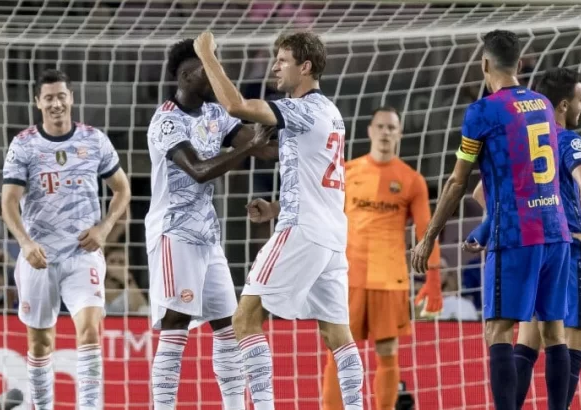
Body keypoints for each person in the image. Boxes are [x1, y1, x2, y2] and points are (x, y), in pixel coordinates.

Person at [194, 31, 364, 410]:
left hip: (302, 230)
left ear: (305, 67)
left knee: (244, 318)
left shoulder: (304, 109)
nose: (274, 66)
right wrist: (274, 208)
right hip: (330, 232)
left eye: (282, 60)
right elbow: (319, 174)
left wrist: (207, 55)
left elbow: (236, 106)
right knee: (337, 333)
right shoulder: (331, 112)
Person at [410, 30, 572, 410]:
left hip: (516, 236)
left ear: (484, 64)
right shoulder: (544, 105)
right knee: (553, 331)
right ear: (519, 64)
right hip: (556, 231)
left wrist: (429, 237)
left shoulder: (482, 112)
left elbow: (456, 180)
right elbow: (518, 172)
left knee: (498, 328)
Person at [145, 38, 273, 410]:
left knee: (227, 326)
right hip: (174, 234)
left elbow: (261, 144)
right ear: (186, 75)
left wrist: (300, 141)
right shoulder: (166, 121)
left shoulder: (217, 114)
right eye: (207, 68)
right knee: (176, 321)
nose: (217, 77)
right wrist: (247, 149)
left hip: (207, 237)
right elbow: (199, 171)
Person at [464, 67, 581, 409]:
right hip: (567, 246)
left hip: (531, 241)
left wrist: (493, 225)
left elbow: (482, 191)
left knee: (528, 337)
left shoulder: (525, 139)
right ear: (565, 105)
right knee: (575, 337)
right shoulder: (568, 139)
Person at [1, 68, 131, 409]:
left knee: (90, 330)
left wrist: (104, 228)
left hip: (81, 255)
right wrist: (26, 243)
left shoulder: (93, 139)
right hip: (39, 257)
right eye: (49, 98)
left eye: (61, 96)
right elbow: (9, 201)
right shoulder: (24, 144)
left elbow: (122, 189)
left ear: (71, 98)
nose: (56, 103)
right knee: (40, 342)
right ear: (37, 102)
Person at [322, 106, 443, 410]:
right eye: (381, 126)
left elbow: (425, 232)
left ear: (400, 133)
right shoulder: (347, 171)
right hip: (347, 276)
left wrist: (434, 279)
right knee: (338, 349)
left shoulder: (411, 180)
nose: (386, 132)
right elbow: (325, 219)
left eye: (392, 128)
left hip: (390, 279)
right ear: (369, 131)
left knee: (387, 350)